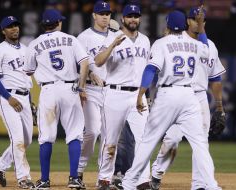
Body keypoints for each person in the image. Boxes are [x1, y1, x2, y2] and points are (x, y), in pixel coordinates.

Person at [122, 10, 222, 190]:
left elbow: (150, 70)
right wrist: (201, 27)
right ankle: (211, 185)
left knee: (148, 140)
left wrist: (140, 94)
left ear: (167, 25)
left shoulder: (161, 43)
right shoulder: (195, 44)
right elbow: (206, 50)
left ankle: (129, 182)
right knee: (200, 143)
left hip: (168, 95)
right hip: (189, 96)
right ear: (185, 25)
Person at [150, 7, 226, 190]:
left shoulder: (211, 47)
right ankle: (156, 174)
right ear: (187, 22)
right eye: (194, 19)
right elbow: (156, 71)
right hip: (177, 95)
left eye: (202, 19)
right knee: (172, 140)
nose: (199, 22)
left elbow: (215, 79)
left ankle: (199, 184)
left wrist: (219, 107)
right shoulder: (174, 42)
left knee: (201, 142)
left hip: (199, 98)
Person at [24, 9, 89, 189]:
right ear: (59, 23)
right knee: (75, 133)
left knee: (47, 137)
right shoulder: (71, 39)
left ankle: (44, 180)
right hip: (70, 89)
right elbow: (84, 63)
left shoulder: (35, 44)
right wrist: (81, 86)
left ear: (43, 25)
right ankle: (74, 179)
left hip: (48, 90)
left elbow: (28, 71)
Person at [94, 4, 151, 190]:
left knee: (144, 139)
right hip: (114, 94)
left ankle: (143, 180)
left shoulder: (145, 41)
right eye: (130, 16)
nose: (133, 19)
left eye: (136, 16)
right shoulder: (112, 37)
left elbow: (147, 70)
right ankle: (104, 179)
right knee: (110, 141)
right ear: (122, 19)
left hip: (138, 95)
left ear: (140, 19)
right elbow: (98, 61)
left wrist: (146, 94)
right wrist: (112, 45)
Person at [0, 16, 34, 189]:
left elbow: (26, 79)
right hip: (8, 98)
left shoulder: (26, 49)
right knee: (18, 139)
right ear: (3, 31)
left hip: (24, 98)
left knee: (27, 140)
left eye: (16, 26)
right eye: (10, 27)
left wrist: (30, 101)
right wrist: (8, 98)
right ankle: (23, 178)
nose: (14, 29)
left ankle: (0, 164)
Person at [76, 0, 114, 186]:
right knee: (92, 131)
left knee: (109, 135)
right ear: (94, 16)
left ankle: (104, 177)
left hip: (111, 90)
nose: (105, 16)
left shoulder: (116, 36)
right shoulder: (84, 37)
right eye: (101, 13)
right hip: (90, 89)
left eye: (108, 13)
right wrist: (89, 73)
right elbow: (77, 63)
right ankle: (79, 170)